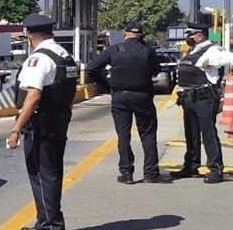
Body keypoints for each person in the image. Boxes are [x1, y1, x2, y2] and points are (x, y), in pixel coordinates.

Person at [7, 14, 78, 230]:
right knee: (49, 173)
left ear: (29, 35)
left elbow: (33, 96)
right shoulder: (63, 55)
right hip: (58, 120)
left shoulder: (38, 60)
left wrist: (16, 129)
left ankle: (52, 229)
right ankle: (44, 221)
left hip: (41, 125)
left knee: (42, 175)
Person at [87, 21, 166, 184]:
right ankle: (150, 173)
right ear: (141, 35)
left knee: (123, 135)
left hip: (120, 96)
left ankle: (127, 173)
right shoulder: (148, 51)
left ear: (125, 33)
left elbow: (92, 68)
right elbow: (156, 70)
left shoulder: (115, 50)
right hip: (143, 96)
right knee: (148, 134)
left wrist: (105, 85)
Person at [170, 23, 233, 184]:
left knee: (208, 134)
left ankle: (215, 169)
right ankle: (191, 166)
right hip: (188, 98)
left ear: (200, 35)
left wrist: (212, 62)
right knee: (191, 134)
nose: (188, 38)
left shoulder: (212, 49)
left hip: (204, 98)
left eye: (191, 35)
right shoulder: (193, 51)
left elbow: (229, 58)